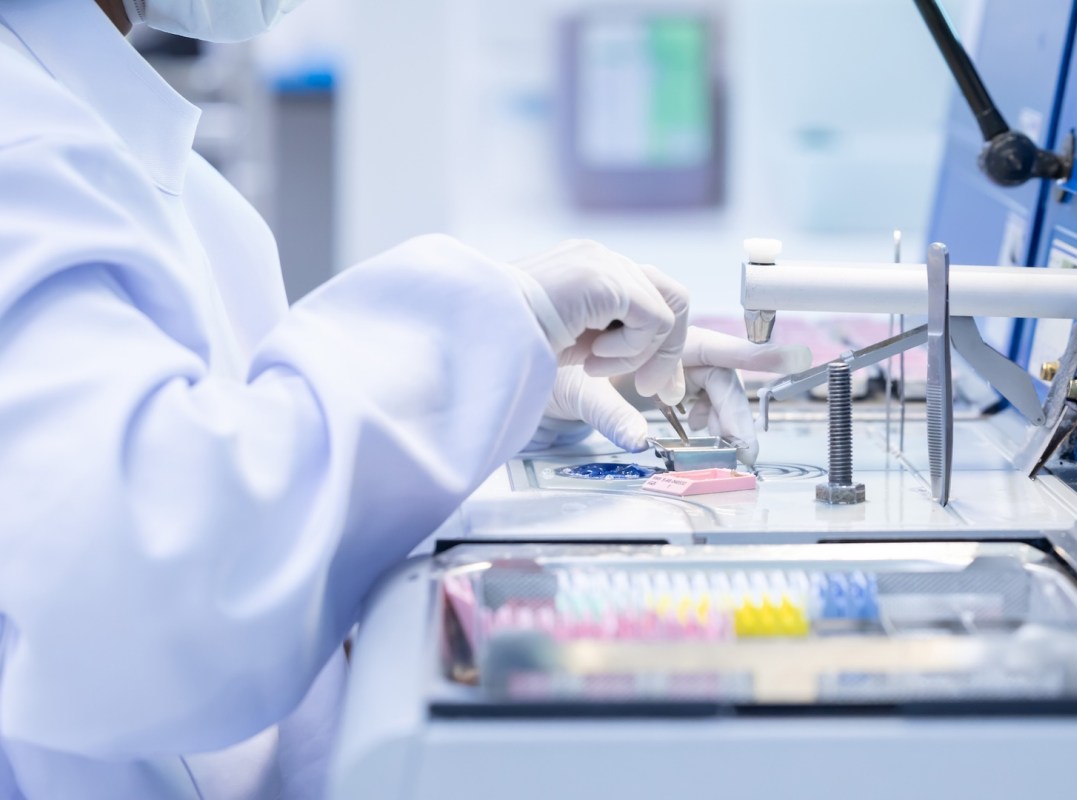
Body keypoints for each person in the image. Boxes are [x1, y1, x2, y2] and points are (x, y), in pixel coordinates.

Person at [0, 0, 808, 796]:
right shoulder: (24, 140)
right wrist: (492, 331)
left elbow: (228, 435)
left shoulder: (115, 141)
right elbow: (151, 565)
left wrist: (510, 393)